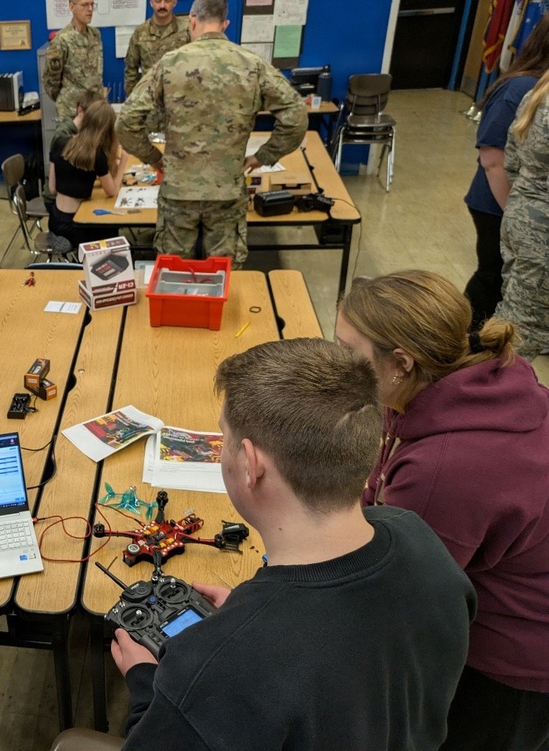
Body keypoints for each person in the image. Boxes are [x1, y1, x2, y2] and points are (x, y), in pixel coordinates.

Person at [111, 337, 476, 750]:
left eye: (223, 438)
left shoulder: (209, 674)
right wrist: (258, 617)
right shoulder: (419, 538)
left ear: (251, 465)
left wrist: (148, 688)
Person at [336, 270, 549, 751]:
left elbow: (396, 607)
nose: (337, 364)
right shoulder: (463, 383)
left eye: (349, 353)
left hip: (510, 663)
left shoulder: (442, 471)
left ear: (400, 363)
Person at [117, 0, 306, 265]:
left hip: (179, 192)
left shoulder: (169, 64)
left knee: (174, 272)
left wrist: (153, 158)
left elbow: (126, 122)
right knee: (224, 273)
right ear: (225, 24)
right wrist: (263, 156)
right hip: (227, 189)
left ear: (192, 20)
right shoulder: (252, 65)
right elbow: (296, 115)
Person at [463, 16, 549, 330]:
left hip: (517, 203)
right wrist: (513, 212)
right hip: (497, 201)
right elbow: (492, 159)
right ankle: (464, 340)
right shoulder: (524, 86)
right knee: (492, 276)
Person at [493, 67, 549, 360]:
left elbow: (512, 161)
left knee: (510, 312)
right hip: (542, 234)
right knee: (526, 330)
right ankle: (495, 397)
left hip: (521, 214)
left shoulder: (538, 92)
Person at [49, 99, 129, 248]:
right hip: (76, 225)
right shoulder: (96, 154)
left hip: (55, 220)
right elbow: (111, 191)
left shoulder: (60, 142)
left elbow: (52, 188)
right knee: (112, 229)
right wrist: (123, 163)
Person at [42, 88, 108, 211]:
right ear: (80, 111)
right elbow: (56, 184)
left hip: (72, 190)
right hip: (56, 198)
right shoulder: (63, 135)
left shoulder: (84, 129)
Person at [42, 0, 104, 121]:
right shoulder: (61, 40)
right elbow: (50, 82)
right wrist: (66, 99)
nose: (90, 9)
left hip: (95, 109)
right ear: (71, 7)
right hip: (71, 112)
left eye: (92, 4)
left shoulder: (95, 35)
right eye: (85, 5)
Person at [123, 0, 190, 97]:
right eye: (158, 1)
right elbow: (131, 69)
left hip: (179, 98)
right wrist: (133, 99)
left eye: (167, 1)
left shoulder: (186, 30)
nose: (162, 5)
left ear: (174, 2)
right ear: (151, 2)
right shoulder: (140, 32)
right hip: (149, 100)